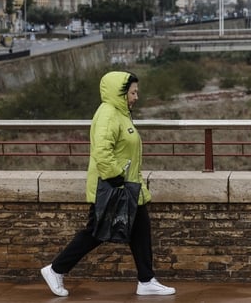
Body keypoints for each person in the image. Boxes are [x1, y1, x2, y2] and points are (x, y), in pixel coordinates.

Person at [41, 71, 175, 297]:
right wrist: (116, 178)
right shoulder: (108, 115)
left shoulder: (121, 114)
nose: (136, 97)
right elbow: (102, 151)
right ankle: (55, 269)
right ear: (120, 93)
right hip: (114, 188)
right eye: (133, 92)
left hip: (128, 188)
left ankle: (146, 279)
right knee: (95, 232)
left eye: (136, 92)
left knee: (141, 229)